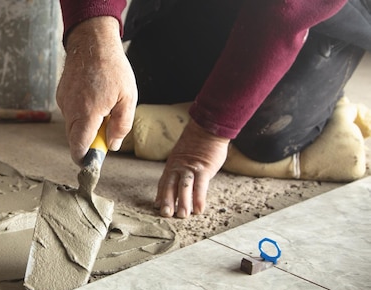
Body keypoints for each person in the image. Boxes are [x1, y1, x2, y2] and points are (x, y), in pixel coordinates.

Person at [56, 0, 371, 218]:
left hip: (321, 12)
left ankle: (334, 96)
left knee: (265, 135)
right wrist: (92, 40)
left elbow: (289, 7)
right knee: (140, 89)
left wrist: (208, 135)